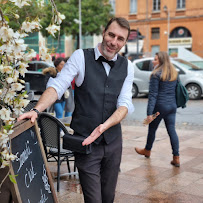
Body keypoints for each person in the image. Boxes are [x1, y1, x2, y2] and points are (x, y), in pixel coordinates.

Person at [18, 17, 134, 203]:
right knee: (93, 199)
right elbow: (58, 85)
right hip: (86, 142)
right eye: (111, 35)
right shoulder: (81, 56)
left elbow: (125, 103)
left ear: (125, 42)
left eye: (120, 38)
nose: (114, 42)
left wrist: (104, 126)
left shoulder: (127, 66)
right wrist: (38, 109)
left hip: (113, 143)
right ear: (104, 32)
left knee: (108, 197)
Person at [134, 52, 180, 167]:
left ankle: (147, 150)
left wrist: (149, 113)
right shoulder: (174, 73)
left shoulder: (156, 74)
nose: (153, 61)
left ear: (161, 61)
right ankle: (176, 157)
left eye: (155, 59)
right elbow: (176, 89)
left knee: (152, 129)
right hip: (171, 106)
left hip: (159, 107)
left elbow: (153, 95)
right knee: (172, 131)